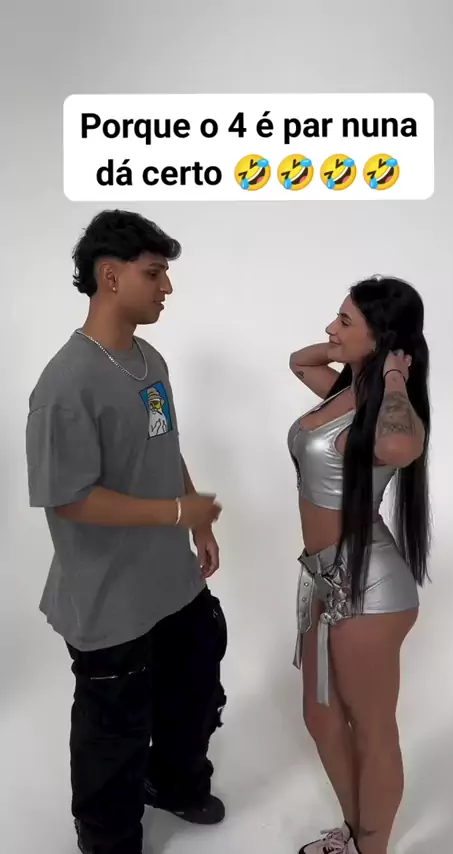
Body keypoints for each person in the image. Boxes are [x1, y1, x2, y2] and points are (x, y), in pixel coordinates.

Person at [25, 209, 227, 854]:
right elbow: (71, 499)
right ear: (110, 277)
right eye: (154, 273)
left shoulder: (148, 359)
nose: (167, 287)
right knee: (113, 726)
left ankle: (174, 781)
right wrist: (176, 514)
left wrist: (194, 517)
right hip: (108, 596)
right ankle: (108, 836)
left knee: (193, 686)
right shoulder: (65, 385)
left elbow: (164, 443)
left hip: (170, 579)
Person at [287, 276, 431, 854]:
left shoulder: (385, 412)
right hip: (322, 577)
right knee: (320, 715)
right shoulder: (344, 393)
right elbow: (299, 361)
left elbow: (401, 449)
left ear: (382, 339)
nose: (330, 328)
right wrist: (350, 349)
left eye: (344, 321)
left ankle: (373, 849)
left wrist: (395, 371)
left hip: (369, 587)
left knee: (372, 729)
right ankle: (355, 833)